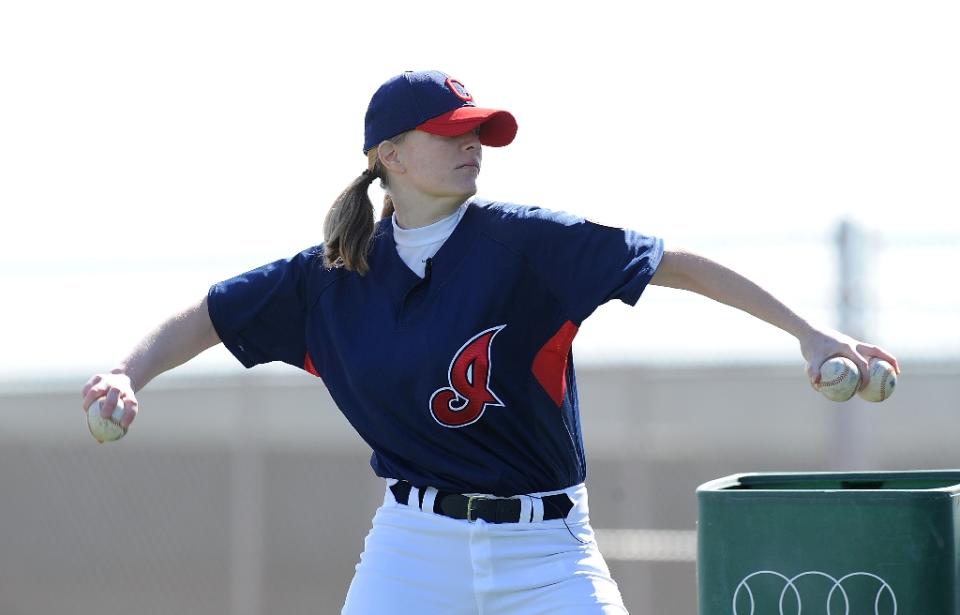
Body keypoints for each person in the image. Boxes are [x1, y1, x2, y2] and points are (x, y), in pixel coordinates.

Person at [81, 69, 900, 614]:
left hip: (547, 551)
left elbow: (673, 263)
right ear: (389, 155)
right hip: (412, 546)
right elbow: (210, 316)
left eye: (478, 129)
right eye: (450, 131)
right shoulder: (328, 277)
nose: (472, 141)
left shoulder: (528, 243)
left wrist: (809, 331)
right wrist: (129, 370)